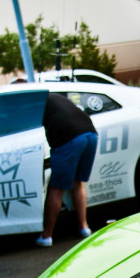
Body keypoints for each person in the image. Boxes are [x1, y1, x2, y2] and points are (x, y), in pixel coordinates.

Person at [36, 91, 97, 247]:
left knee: (57, 189)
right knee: (78, 182)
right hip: (90, 134)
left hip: (69, 138)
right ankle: (84, 227)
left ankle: (46, 236)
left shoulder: (34, 103)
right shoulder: (54, 96)